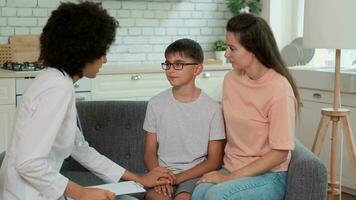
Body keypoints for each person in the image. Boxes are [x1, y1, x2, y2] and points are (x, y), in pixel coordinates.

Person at [0, 2, 173, 200]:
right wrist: (80, 192)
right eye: (102, 52)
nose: (104, 60)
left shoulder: (56, 80)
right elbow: (28, 162)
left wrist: (137, 179)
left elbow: (80, 148)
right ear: (83, 51)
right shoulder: (57, 88)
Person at [192, 13, 300, 200]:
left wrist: (228, 178)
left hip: (269, 175)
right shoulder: (231, 80)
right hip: (232, 166)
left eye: (232, 48)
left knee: (216, 196)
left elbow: (280, 153)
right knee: (199, 192)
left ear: (254, 50)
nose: (226, 54)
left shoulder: (279, 89)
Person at [143, 38, 226, 200]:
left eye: (179, 64)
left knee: (184, 198)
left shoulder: (213, 108)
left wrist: (178, 178)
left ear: (197, 69)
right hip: (162, 173)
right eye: (167, 64)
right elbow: (149, 151)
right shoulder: (155, 103)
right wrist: (159, 176)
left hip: (195, 175)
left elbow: (214, 160)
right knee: (157, 198)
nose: (170, 70)